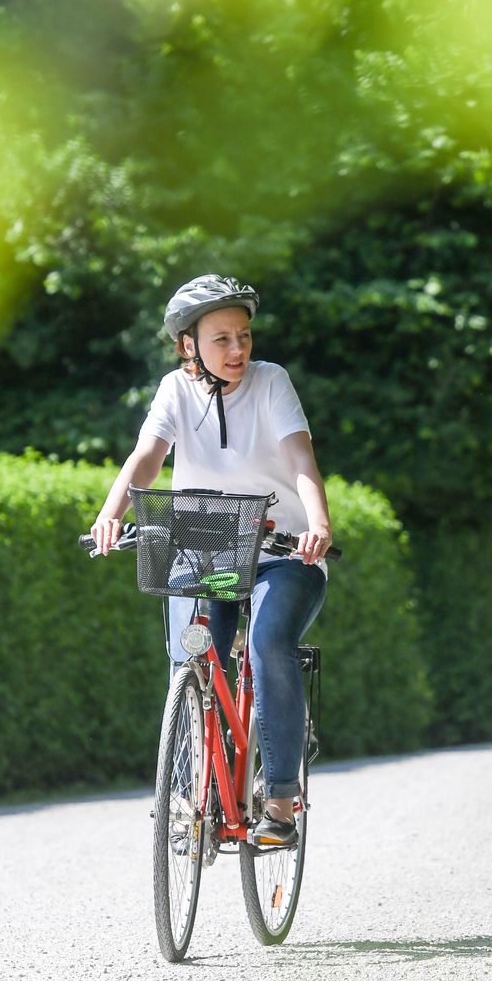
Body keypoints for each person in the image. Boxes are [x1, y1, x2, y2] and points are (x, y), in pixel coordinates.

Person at [90, 275, 334, 848]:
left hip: (284, 548)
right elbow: (146, 457)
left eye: (244, 336)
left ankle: (278, 800)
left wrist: (318, 522)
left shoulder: (272, 382)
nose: (237, 350)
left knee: (266, 642)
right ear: (188, 345)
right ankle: (189, 800)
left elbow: (301, 456)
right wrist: (110, 512)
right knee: (191, 660)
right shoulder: (175, 390)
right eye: (221, 339)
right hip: (208, 545)